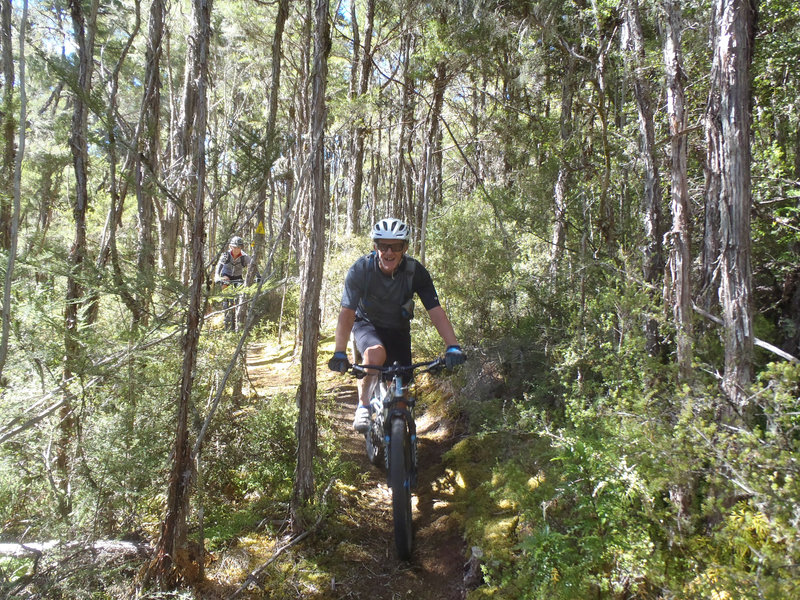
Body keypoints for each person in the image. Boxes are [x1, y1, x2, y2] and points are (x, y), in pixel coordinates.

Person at [327, 217, 466, 432]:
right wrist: (339, 352)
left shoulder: (414, 271)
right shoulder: (361, 270)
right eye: (384, 246)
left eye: (396, 246)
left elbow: (435, 311)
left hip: (399, 330)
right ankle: (363, 406)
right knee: (375, 355)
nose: (389, 252)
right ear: (376, 247)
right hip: (367, 325)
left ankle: (403, 446)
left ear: (405, 248)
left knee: (401, 394)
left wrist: (453, 346)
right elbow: (347, 314)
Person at [215, 236, 260, 331]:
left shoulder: (244, 256)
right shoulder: (226, 255)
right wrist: (216, 276)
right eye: (235, 247)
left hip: (238, 277)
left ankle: (239, 316)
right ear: (231, 247)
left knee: (240, 296)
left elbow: (253, 266)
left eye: (239, 248)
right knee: (225, 281)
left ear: (241, 248)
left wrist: (258, 276)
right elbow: (219, 265)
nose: (236, 250)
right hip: (226, 274)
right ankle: (225, 303)